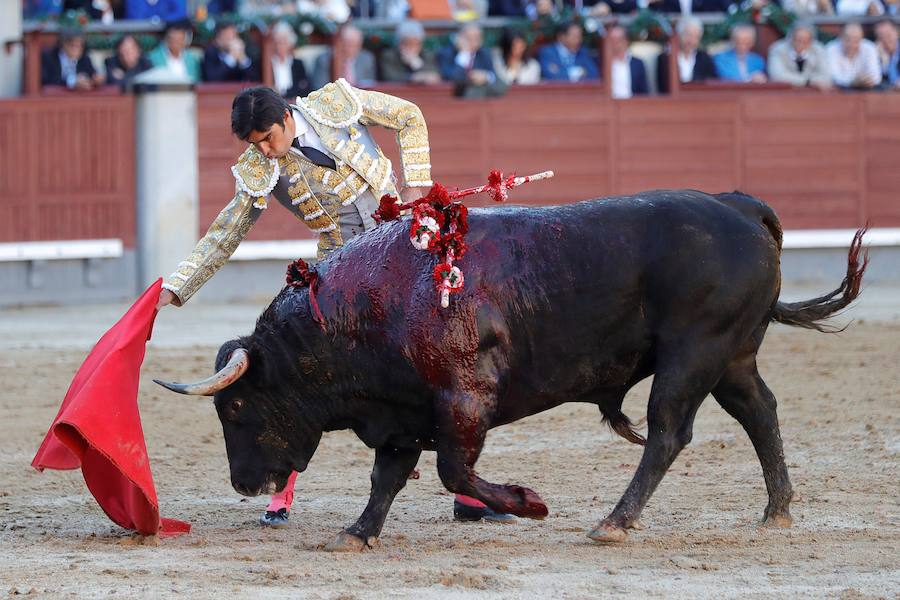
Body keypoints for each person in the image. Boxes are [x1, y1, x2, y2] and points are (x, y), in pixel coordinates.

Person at [156, 83, 515, 527]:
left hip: (407, 252)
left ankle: (467, 492)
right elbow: (226, 231)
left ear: (286, 118)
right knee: (300, 376)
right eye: (255, 144)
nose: (265, 150)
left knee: (442, 363)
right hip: (342, 275)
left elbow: (409, 115)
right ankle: (281, 491)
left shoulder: (334, 105)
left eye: (268, 138)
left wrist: (417, 185)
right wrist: (177, 287)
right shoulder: (258, 167)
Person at [657, 15, 718, 94]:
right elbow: (664, 88)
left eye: (696, 37)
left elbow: (712, 84)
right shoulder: (665, 59)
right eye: (688, 35)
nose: (691, 41)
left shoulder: (705, 58)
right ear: (678, 35)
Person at [767, 22, 832, 89]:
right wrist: (808, 81)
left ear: (811, 41)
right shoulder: (778, 50)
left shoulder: (818, 50)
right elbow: (777, 75)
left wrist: (804, 81)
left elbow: (826, 75)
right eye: (797, 40)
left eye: (805, 41)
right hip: (785, 92)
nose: (800, 44)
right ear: (790, 38)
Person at [311, 25, 376, 90]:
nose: (351, 49)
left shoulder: (367, 59)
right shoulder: (324, 60)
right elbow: (319, 88)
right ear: (340, 44)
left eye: (356, 45)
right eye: (349, 45)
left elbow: (370, 86)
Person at [379, 20, 442, 84]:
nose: (411, 48)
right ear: (399, 43)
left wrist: (418, 65)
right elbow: (389, 77)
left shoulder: (428, 55)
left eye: (415, 44)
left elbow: (434, 76)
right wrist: (412, 78)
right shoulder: (389, 55)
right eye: (406, 43)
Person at [826, 22, 881, 89]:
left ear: (861, 39)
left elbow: (876, 77)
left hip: (867, 89)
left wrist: (864, 81)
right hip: (840, 90)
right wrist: (852, 82)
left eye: (856, 40)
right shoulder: (831, 48)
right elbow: (833, 76)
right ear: (841, 37)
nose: (851, 44)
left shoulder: (870, 48)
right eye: (848, 39)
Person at [270, 21, 312, 98]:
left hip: (292, 100)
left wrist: (284, 92)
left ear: (290, 44)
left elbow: (305, 86)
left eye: (283, 42)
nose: (279, 46)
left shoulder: (298, 64)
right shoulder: (266, 64)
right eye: (277, 42)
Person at [607, 25, 649, 99]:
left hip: (632, 103)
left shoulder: (637, 64)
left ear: (626, 41)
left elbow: (643, 91)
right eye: (612, 40)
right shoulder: (603, 63)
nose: (614, 44)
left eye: (618, 40)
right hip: (609, 103)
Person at [874, 19, 900, 88]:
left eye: (888, 35)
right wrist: (885, 63)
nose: (886, 40)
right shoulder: (875, 54)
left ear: (897, 33)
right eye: (881, 37)